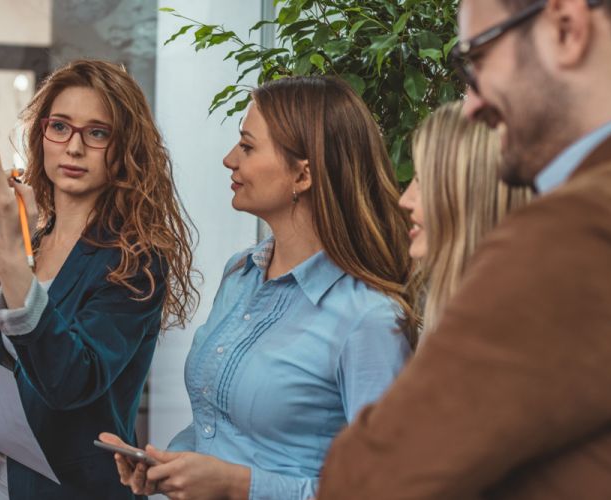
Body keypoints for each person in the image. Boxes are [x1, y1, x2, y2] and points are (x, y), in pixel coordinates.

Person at [318, 0, 611, 498]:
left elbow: (366, 479)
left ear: (568, 29)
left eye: (477, 60)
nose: (471, 104)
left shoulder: (575, 234)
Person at [100, 75, 417, 499]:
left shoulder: (369, 320)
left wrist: (239, 486)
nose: (231, 159)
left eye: (247, 147)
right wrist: (168, 464)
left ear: (302, 175)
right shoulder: (241, 274)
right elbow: (216, 428)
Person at [0, 59, 197, 500]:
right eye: (60, 127)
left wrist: (9, 257)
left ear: (123, 149)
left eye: (97, 133)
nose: (73, 147)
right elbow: (20, 377)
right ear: (42, 135)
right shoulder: (38, 237)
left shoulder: (135, 259)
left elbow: (70, 380)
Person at [399, 100, 530, 338]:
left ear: (468, 197)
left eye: (421, 181)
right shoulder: (435, 306)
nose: (404, 200)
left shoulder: (508, 343)